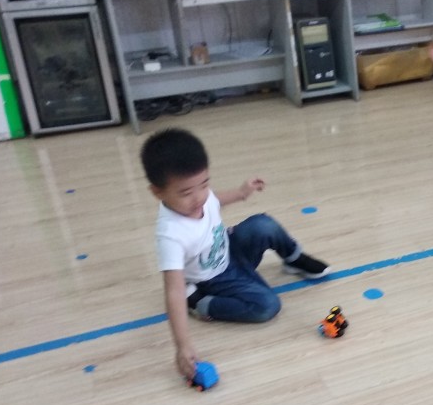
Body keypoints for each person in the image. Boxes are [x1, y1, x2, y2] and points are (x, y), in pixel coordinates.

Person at [140, 128, 330, 381]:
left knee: (264, 224)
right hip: (212, 279)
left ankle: (293, 259)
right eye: (186, 193)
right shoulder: (171, 235)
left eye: (204, 184)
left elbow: (213, 200)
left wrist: (241, 193)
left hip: (228, 251)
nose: (198, 198)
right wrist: (182, 346)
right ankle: (200, 302)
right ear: (157, 192)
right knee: (267, 306)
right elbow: (173, 291)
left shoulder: (201, 196)